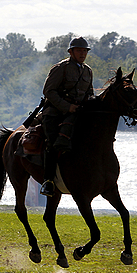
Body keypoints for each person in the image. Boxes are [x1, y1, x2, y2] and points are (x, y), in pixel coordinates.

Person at [40, 37, 94, 197]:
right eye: (79, 50)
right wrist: (67, 106)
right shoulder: (61, 68)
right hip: (56, 112)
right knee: (53, 142)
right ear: (71, 52)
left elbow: (89, 93)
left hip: (78, 112)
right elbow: (49, 91)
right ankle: (48, 181)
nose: (82, 53)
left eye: (84, 51)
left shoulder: (88, 71)